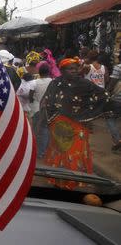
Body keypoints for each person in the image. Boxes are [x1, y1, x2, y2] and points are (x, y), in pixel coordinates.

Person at [41, 58, 112, 190]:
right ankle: (59, 180)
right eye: (70, 69)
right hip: (59, 125)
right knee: (61, 151)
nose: (74, 71)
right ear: (62, 71)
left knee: (76, 151)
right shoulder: (55, 83)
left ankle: (75, 180)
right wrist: (53, 120)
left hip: (79, 125)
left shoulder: (84, 84)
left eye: (75, 68)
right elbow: (48, 102)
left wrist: (87, 113)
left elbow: (103, 95)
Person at [29, 64, 52, 158]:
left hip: (36, 108)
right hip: (49, 109)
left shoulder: (34, 82)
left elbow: (30, 96)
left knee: (35, 130)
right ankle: (44, 151)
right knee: (46, 130)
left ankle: (37, 151)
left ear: (39, 72)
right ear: (49, 72)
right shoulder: (53, 82)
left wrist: (32, 101)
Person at [106, 62, 121, 153]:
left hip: (117, 98)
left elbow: (112, 84)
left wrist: (105, 93)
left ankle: (117, 141)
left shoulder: (118, 67)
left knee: (110, 118)